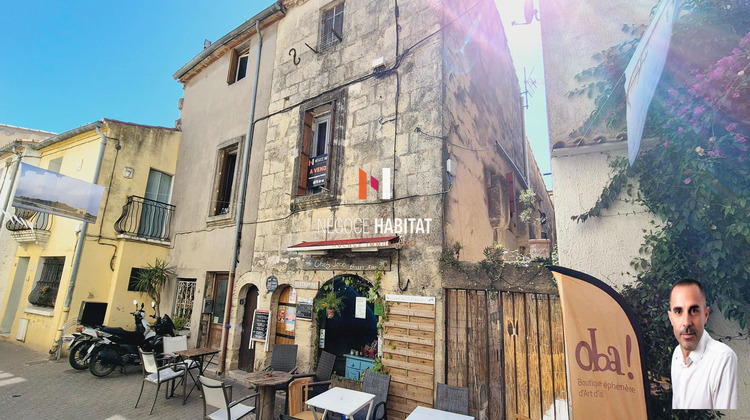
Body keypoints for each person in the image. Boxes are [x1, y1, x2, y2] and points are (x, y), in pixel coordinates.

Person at [668, 278, 738, 409]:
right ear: (671, 318)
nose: (687, 322)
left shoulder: (723, 358)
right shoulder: (677, 354)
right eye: (678, 312)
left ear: (705, 315)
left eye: (694, 311)